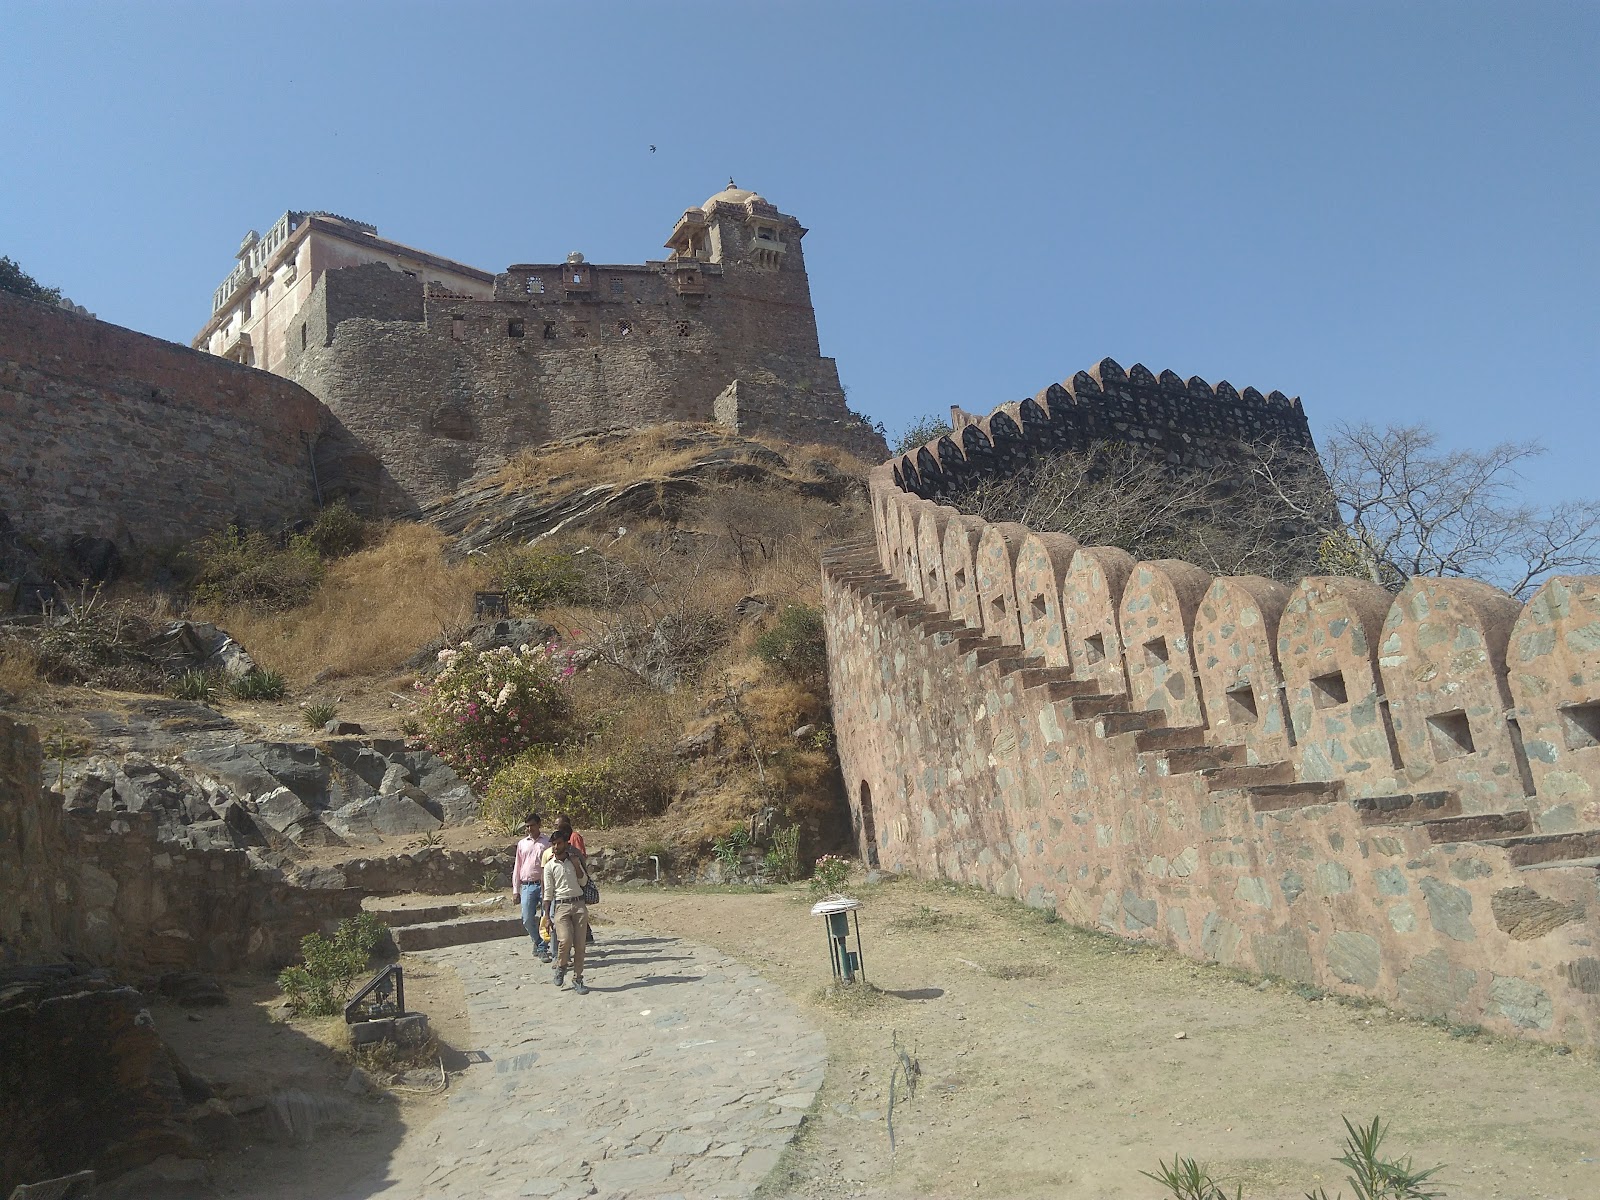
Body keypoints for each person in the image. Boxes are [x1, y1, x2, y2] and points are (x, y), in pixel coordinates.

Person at [542, 828, 593, 994]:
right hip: (561, 906)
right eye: (554, 844)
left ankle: (578, 978)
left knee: (580, 945)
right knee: (564, 940)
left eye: (559, 843)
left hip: (578, 904)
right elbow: (548, 892)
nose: (556, 847)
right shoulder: (550, 866)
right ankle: (561, 966)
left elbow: (584, 881)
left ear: (566, 844)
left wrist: (577, 865)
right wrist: (546, 916)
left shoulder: (574, 861)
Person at [511, 812, 551, 962]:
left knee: (545, 918)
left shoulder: (547, 842)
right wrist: (516, 890)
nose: (529, 829)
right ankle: (538, 941)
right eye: (527, 826)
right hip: (527, 885)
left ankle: (542, 948)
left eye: (532, 825)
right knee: (527, 918)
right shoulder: (522, 843)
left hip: (544, 885)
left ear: (539, 825)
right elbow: (517, 866)